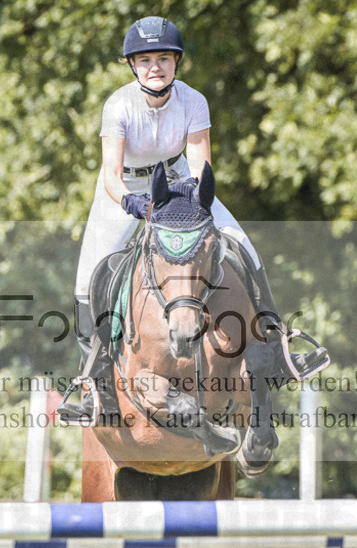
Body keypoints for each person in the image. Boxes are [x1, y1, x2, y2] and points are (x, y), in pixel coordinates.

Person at [57, 16, 327, 424]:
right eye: (145, 59)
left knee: (241, 243)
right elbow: (111, 174)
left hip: (181, 183)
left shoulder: (193, 101)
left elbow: (202, 166)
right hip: (126, 191)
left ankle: (278, 346)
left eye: (163, 58)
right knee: (88, 276)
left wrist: (193, 198)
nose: (155, 67)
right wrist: (134, 204)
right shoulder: (119, 104)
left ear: (176, 62)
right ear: (132, 65)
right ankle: (95, 385)